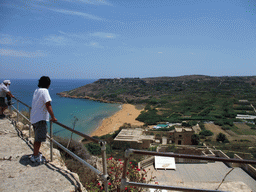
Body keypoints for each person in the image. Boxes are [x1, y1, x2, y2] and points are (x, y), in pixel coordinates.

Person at [30, 76, 57, 163]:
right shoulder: (45, 91)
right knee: (38, 139)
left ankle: (36, 154)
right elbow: (48, 104)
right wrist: (53, 117)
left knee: (37, 138)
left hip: (34, 118)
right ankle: (35, 157)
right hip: (40, 119)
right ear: (48, 84)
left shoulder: (36, 90)